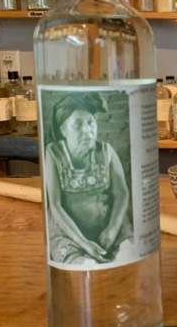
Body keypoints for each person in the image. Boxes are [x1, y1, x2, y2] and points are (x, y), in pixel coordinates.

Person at [44, 93, 131, 266]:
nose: (86, 131)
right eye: (77, 125)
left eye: (91, 123)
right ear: (63, 130)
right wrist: (84, 243)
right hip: (69, 234)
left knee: (129, 253)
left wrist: (112, 229)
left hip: (109, 228)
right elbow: (55, 205)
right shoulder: (53, 153)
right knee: (84, 265)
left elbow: (121, 193)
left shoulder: (106, 151)